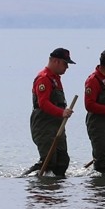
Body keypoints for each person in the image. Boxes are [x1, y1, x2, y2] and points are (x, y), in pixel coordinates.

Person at [30, 47, 76, 176]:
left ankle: (57, 190)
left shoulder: (56, 79)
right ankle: (30, 178)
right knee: (49, 160)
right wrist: (61, 112)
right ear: (56, 61)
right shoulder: (44, 78)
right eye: (65, 63)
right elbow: (43, 103)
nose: (67, 67)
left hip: (57, 123)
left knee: (62, 161)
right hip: (44, 124)